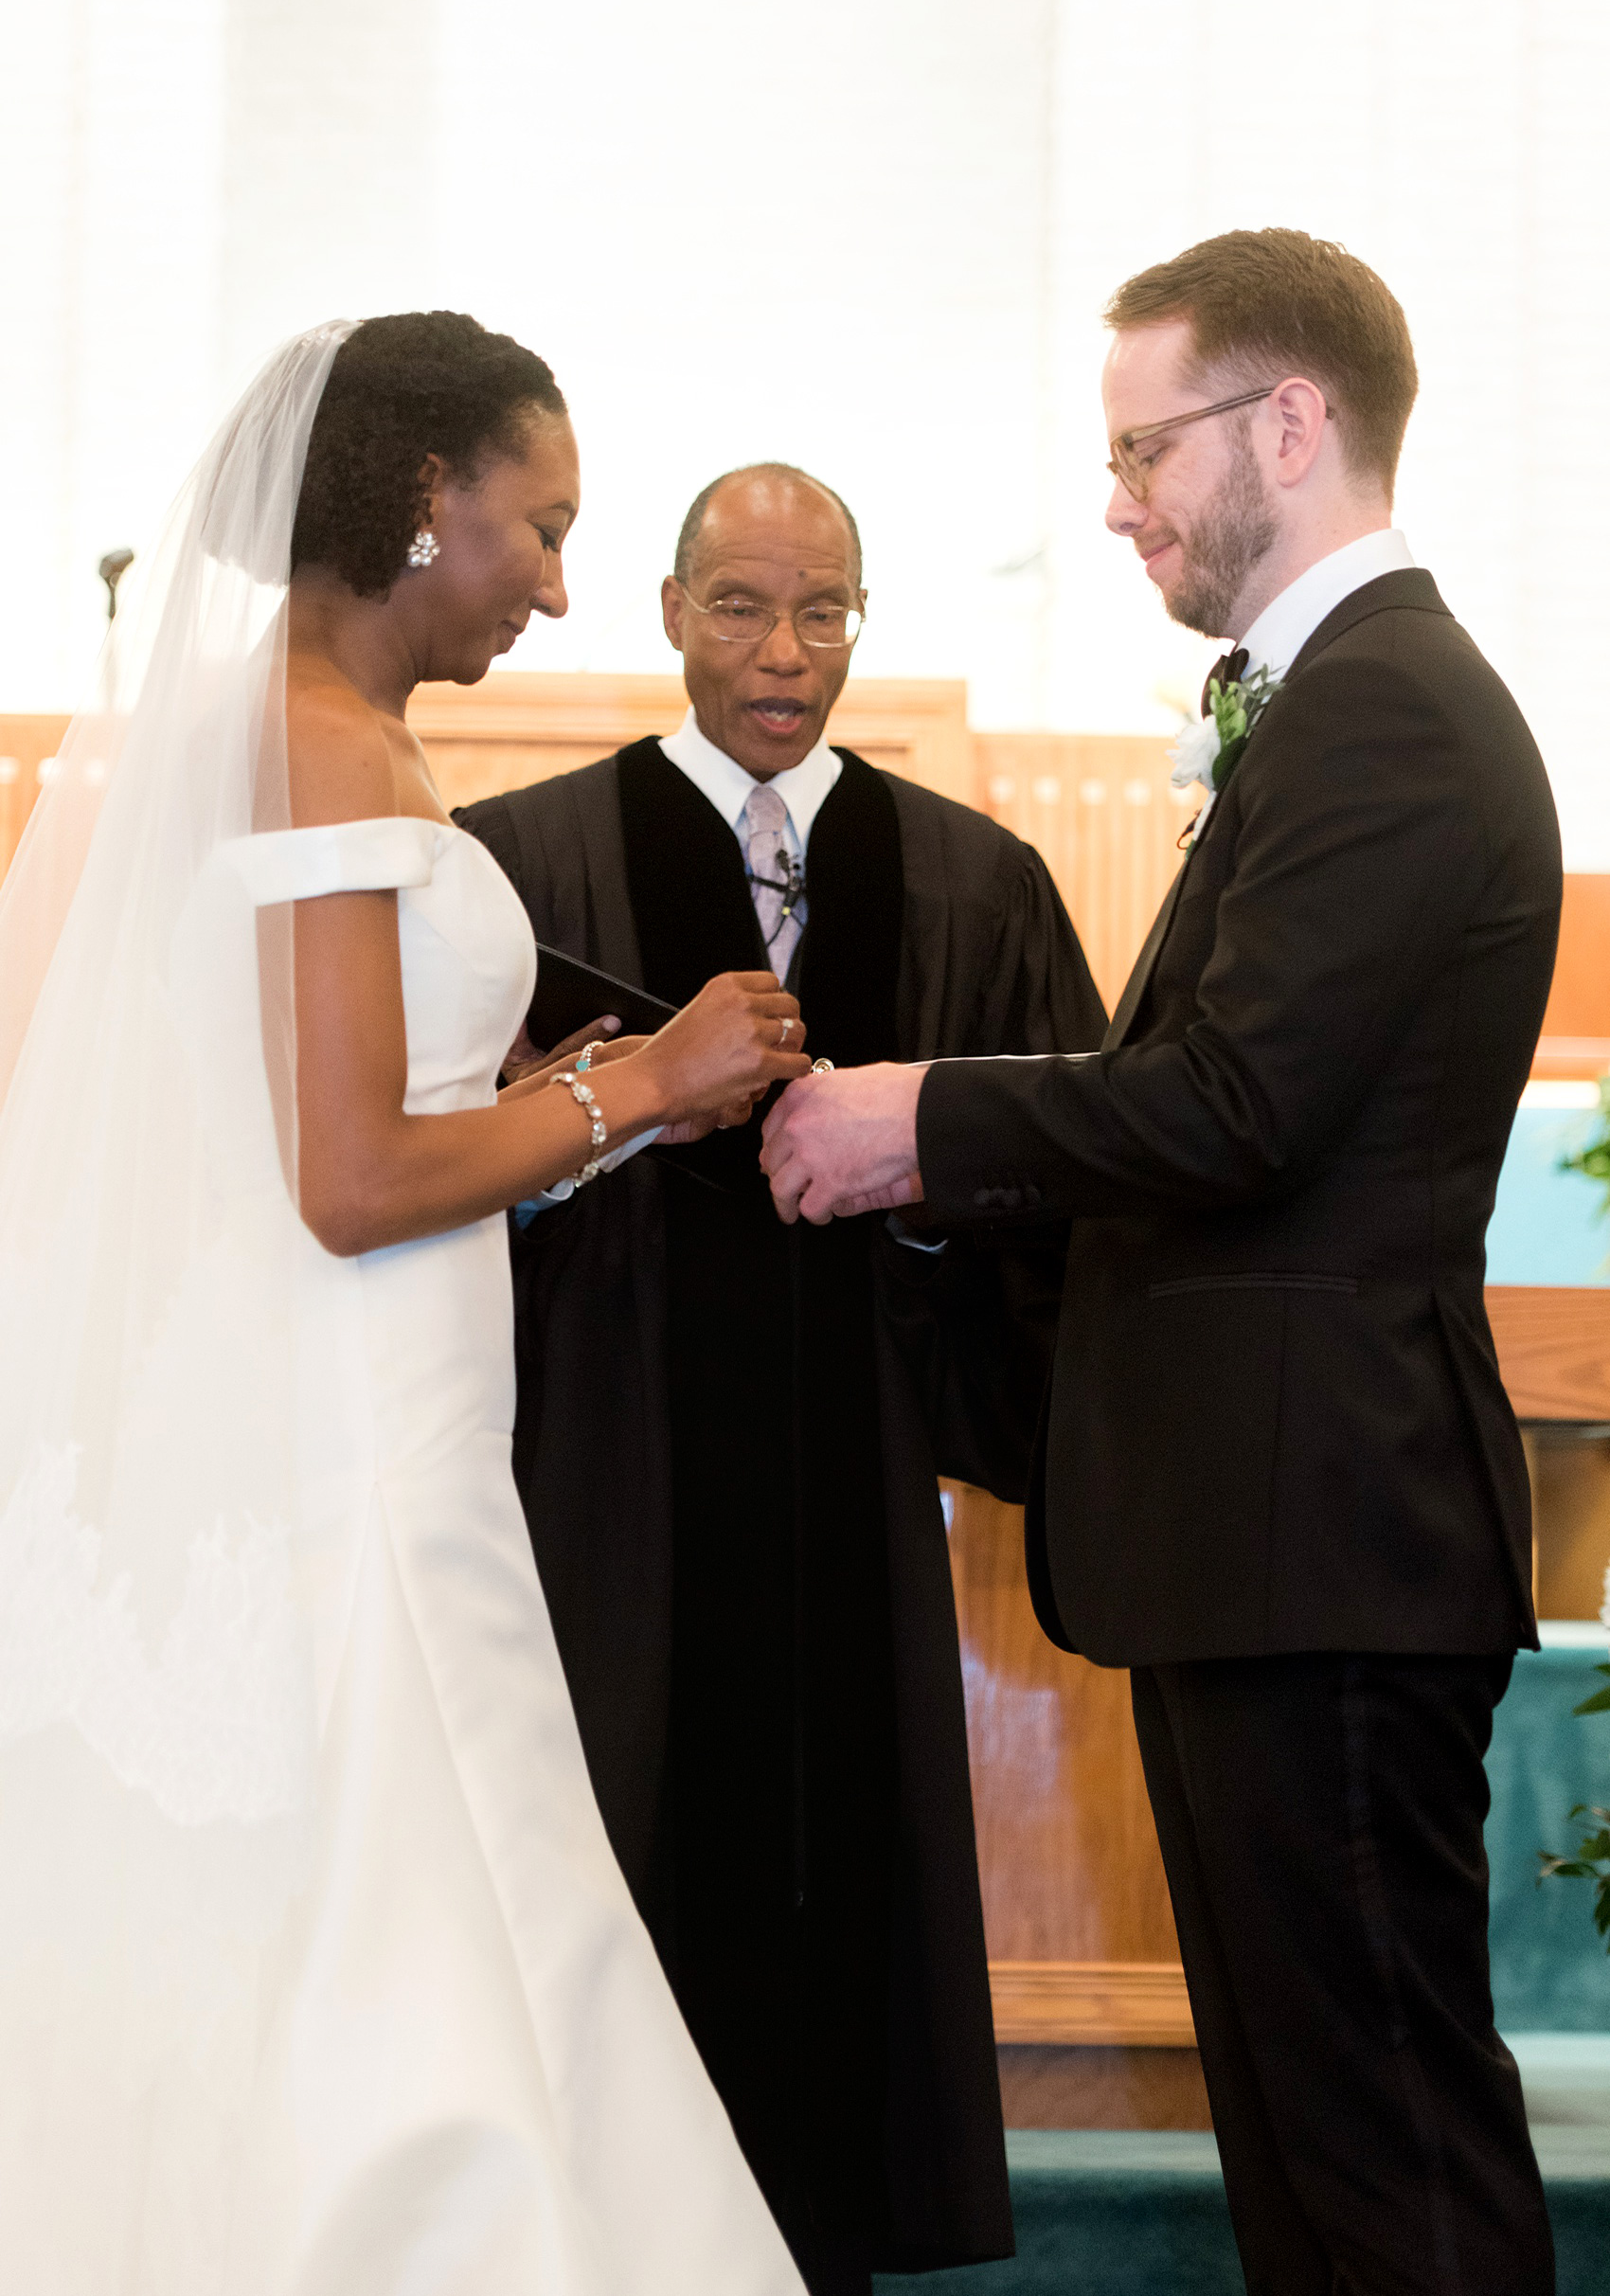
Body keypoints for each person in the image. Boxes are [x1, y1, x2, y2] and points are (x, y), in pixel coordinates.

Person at [760, 231, 1561, 2295]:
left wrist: (917, 1117)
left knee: (1385, 2150)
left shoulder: (1386, 710)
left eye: (1143, 448)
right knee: (1311, 2153)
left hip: (1328, 1535)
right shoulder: (1325, 708)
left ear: (1290, 424)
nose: (1115, 502)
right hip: (1270, 1535)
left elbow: (1233, 1109)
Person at [0, 312, 816, 2296]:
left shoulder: (301, 735)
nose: (551, 580)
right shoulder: (320, 745)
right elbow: (353, 1178)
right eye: (535, 527)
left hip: (386, 1410)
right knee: (435, 1914)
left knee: (424, 1911)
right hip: (362, 1443)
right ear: (423, 499)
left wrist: (579, 1104)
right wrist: (646, 1083)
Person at [456, 461, 1106, 2296]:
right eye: (740, 603)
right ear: (668, 612)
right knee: (613, 1865)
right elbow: (422, 1180)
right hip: (607, 1495)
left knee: (837, 1920)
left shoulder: (977, 881)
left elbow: (1068, 1198)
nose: (781, 648)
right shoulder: (517, 862)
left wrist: (917, 1197)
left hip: (856, 1508)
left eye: (823, 608)